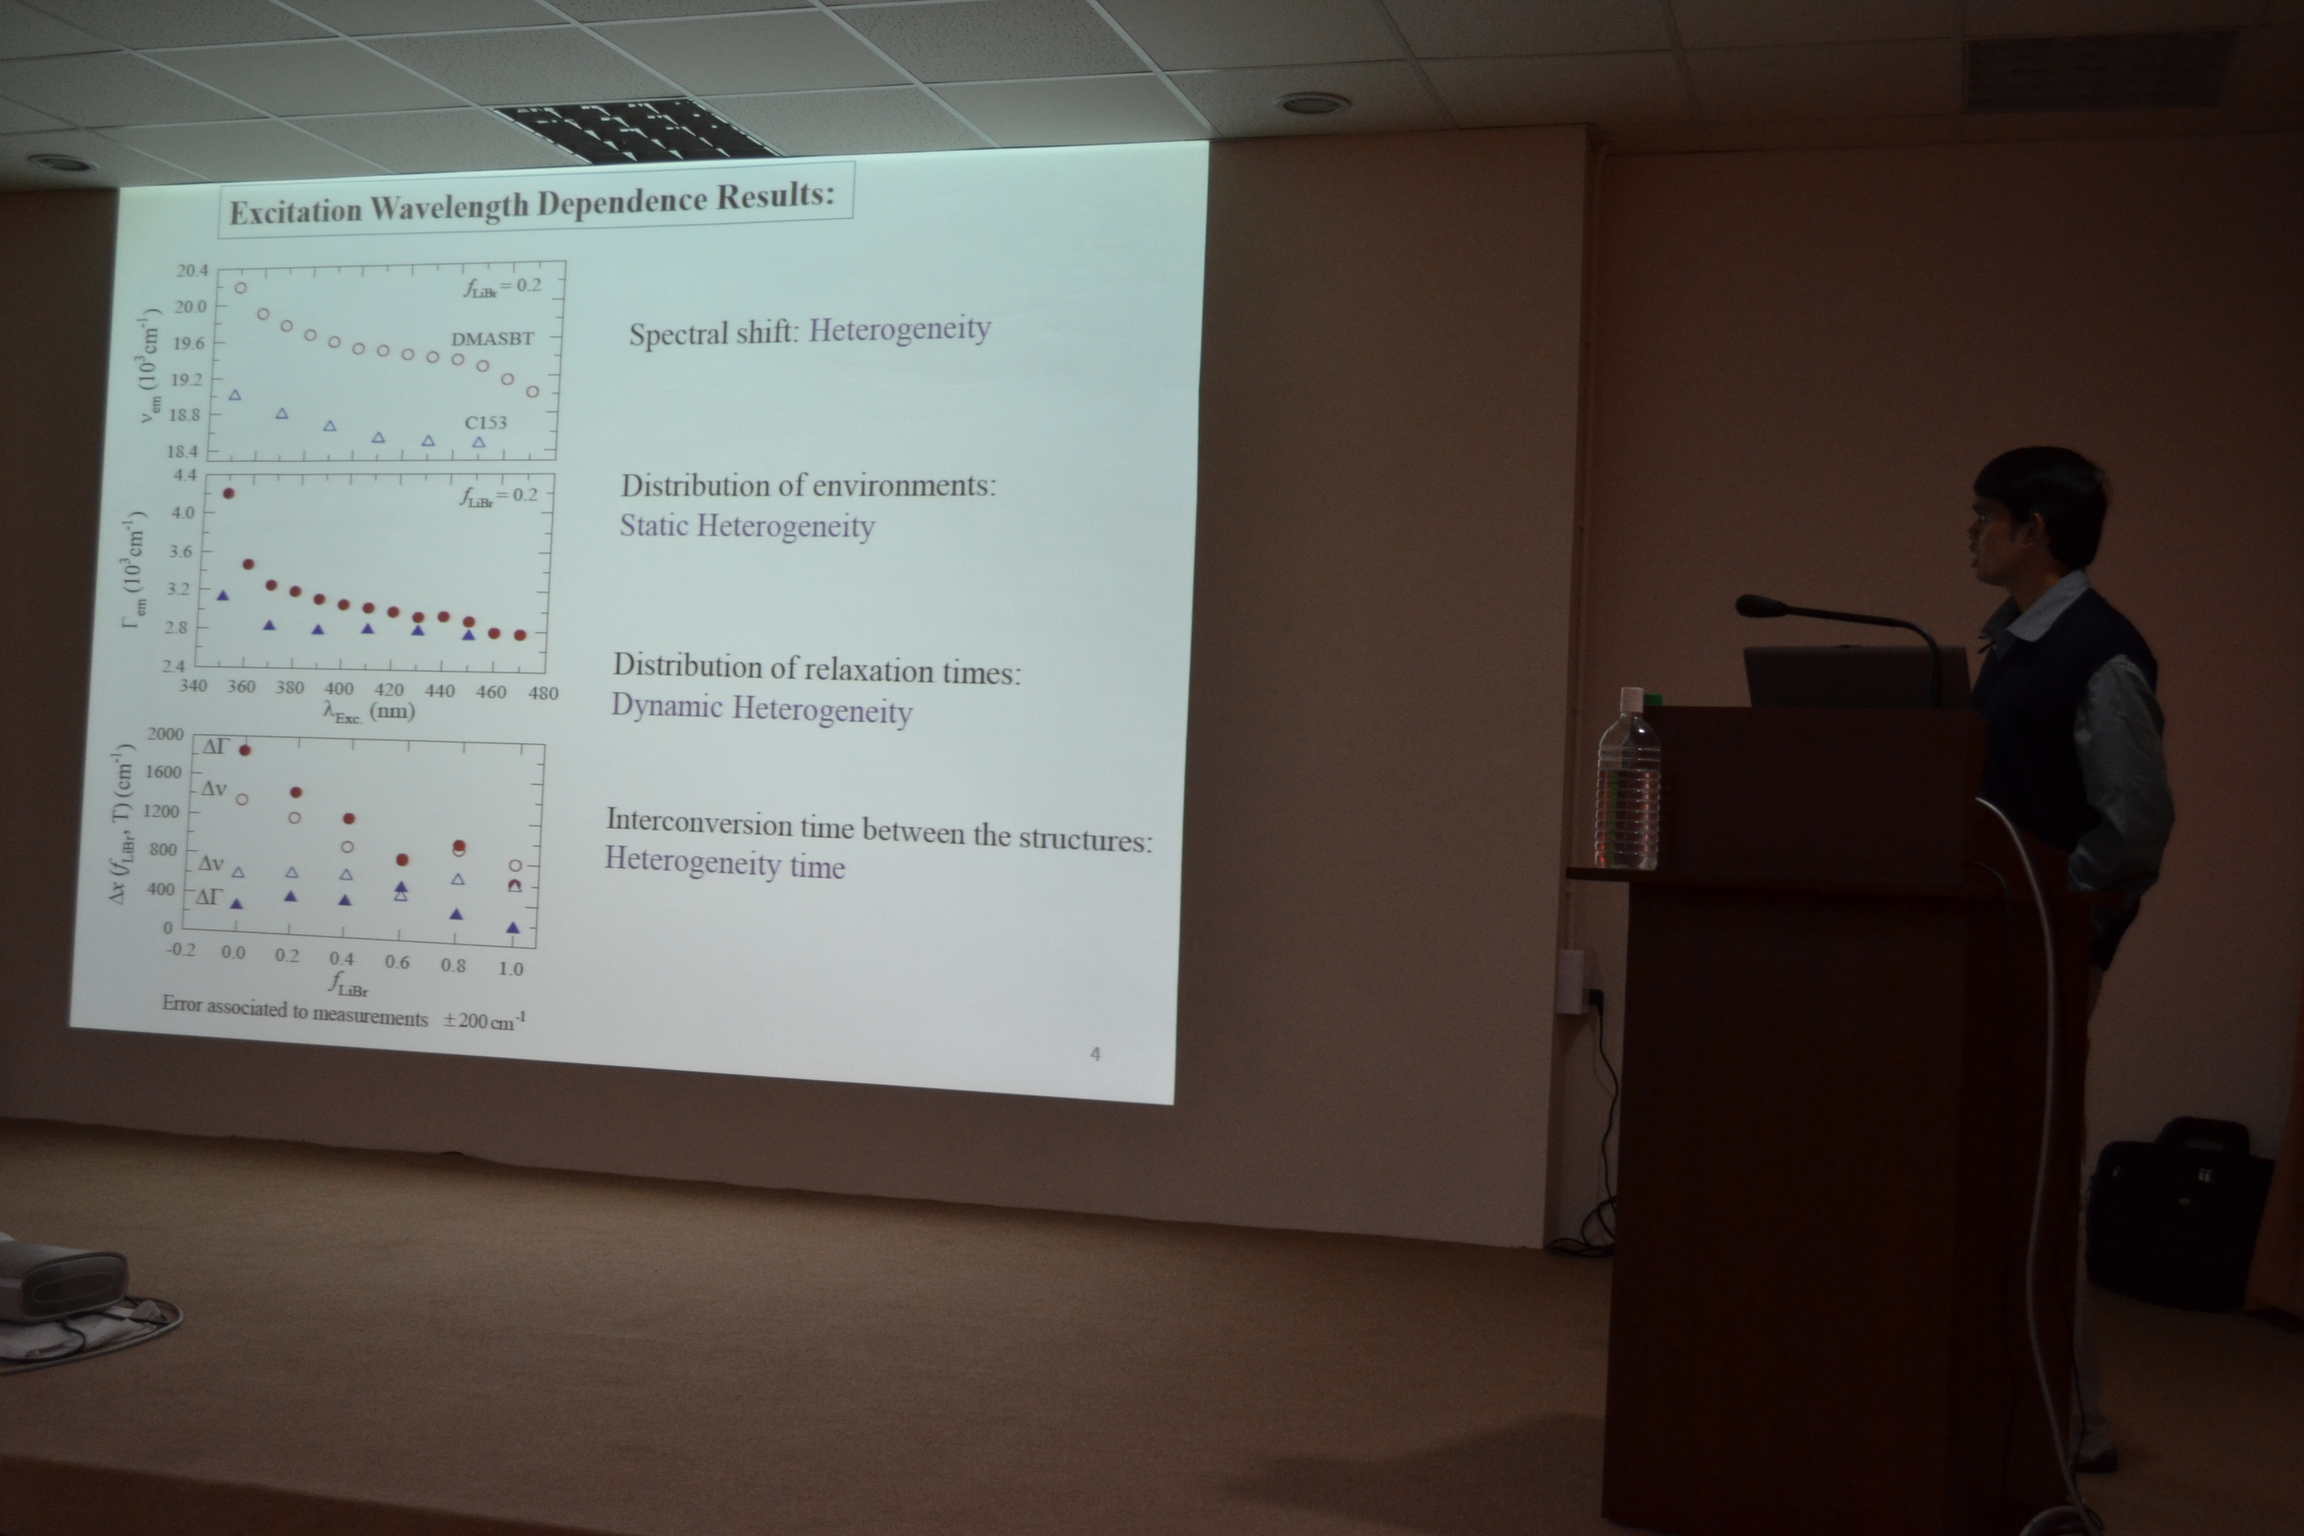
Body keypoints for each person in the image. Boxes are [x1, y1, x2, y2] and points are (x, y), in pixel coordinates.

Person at [1967, 445, 2175, 1476]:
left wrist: (2061, 909)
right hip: (1990, 937)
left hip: (2046, 943)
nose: (1971, 535)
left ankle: (2074, 1422)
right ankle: (2005, 1396)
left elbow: (2134, 830)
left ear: (2033, 531)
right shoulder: (2011, 643)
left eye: (1983, 516)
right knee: (1993, 1169)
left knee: (2041, 1175)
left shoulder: (2100, 654)